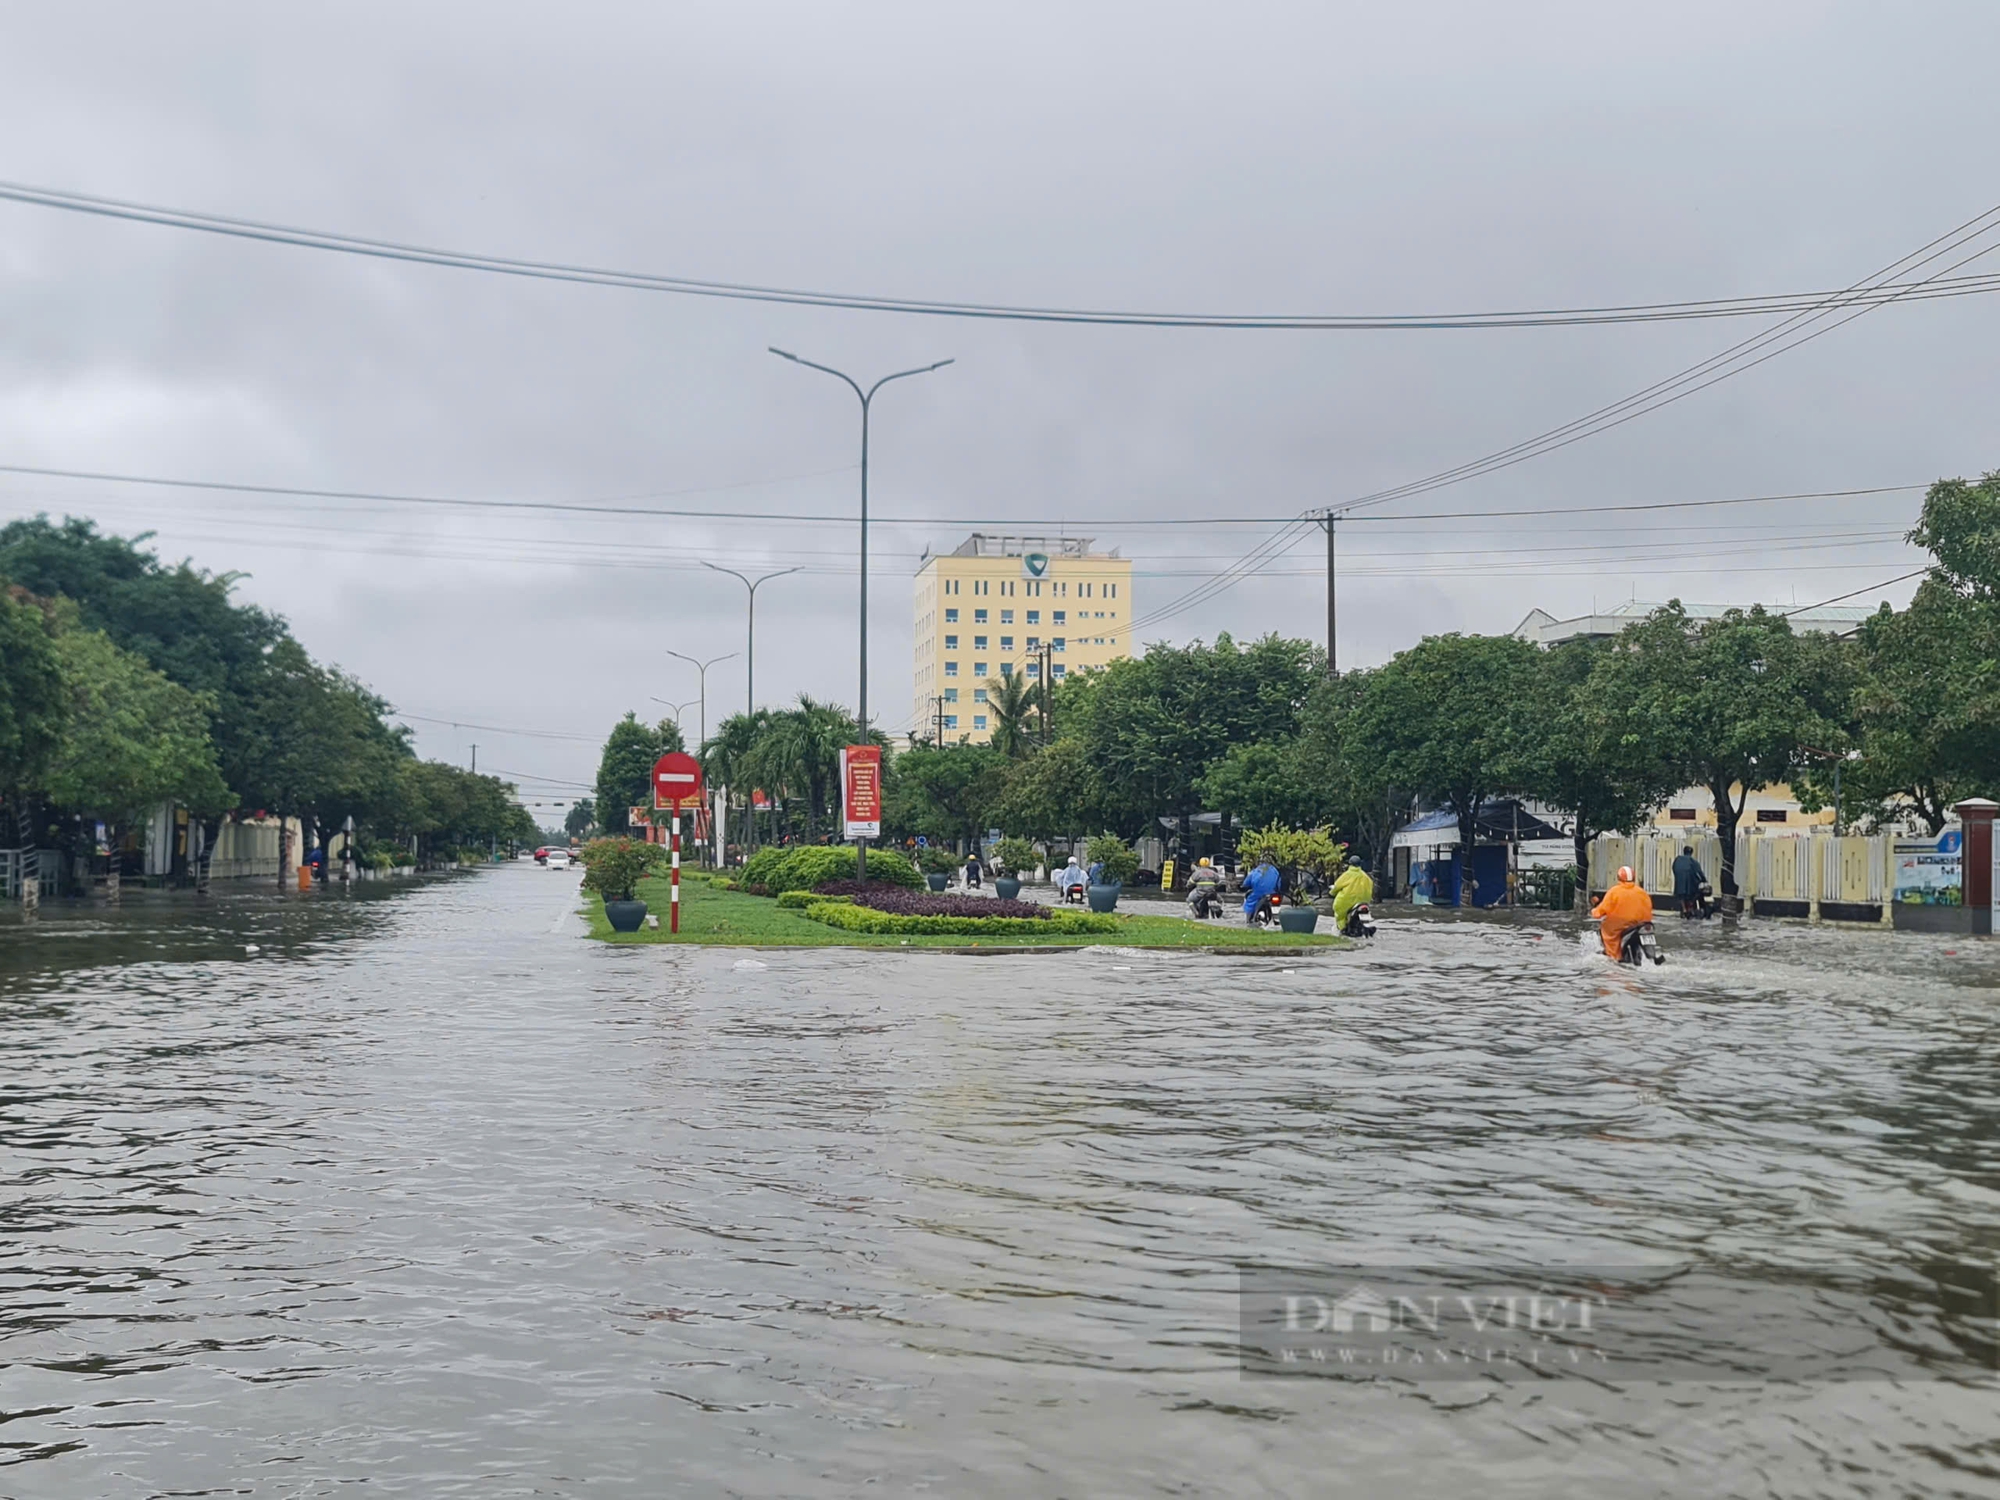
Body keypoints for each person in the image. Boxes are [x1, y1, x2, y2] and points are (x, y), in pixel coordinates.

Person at [1590, 864, 1654, 960]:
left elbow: (1601, 911)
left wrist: (1594, 911)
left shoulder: (1614, 892)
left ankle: (1614, 957)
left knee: (1608, 932)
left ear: (1619, 878)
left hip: (1621, 927)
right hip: (1643, 925)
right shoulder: (1642, 892)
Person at [1331, 856, 1375, 933]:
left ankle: (1342, 929)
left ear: (1350, 864)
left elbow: (1337, 886)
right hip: (1364, 901)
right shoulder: (1366, 876)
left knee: (1339, 913)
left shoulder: (1347, 875)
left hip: (1347, 901)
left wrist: (1332, 892)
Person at [1241, 856, 1282, 923]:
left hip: (1258, 893)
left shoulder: (1256, 870)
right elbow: (1279, 884)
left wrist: (1243, 886)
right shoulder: (1275, 871)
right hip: (1272, 893)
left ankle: (1248, 920)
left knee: (1249, 902)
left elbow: (1246, 882)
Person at [1671, 845, 1707, 919]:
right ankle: (1690, 907)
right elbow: (1699, 871)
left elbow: (1674, 868)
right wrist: (1704, 879)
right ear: (1691, 853)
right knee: (1694, 893)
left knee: (1681, 896)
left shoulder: (1678, 859)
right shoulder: (1692, 861)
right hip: (1689, 883)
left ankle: (1684, 909)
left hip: (1679, 882)